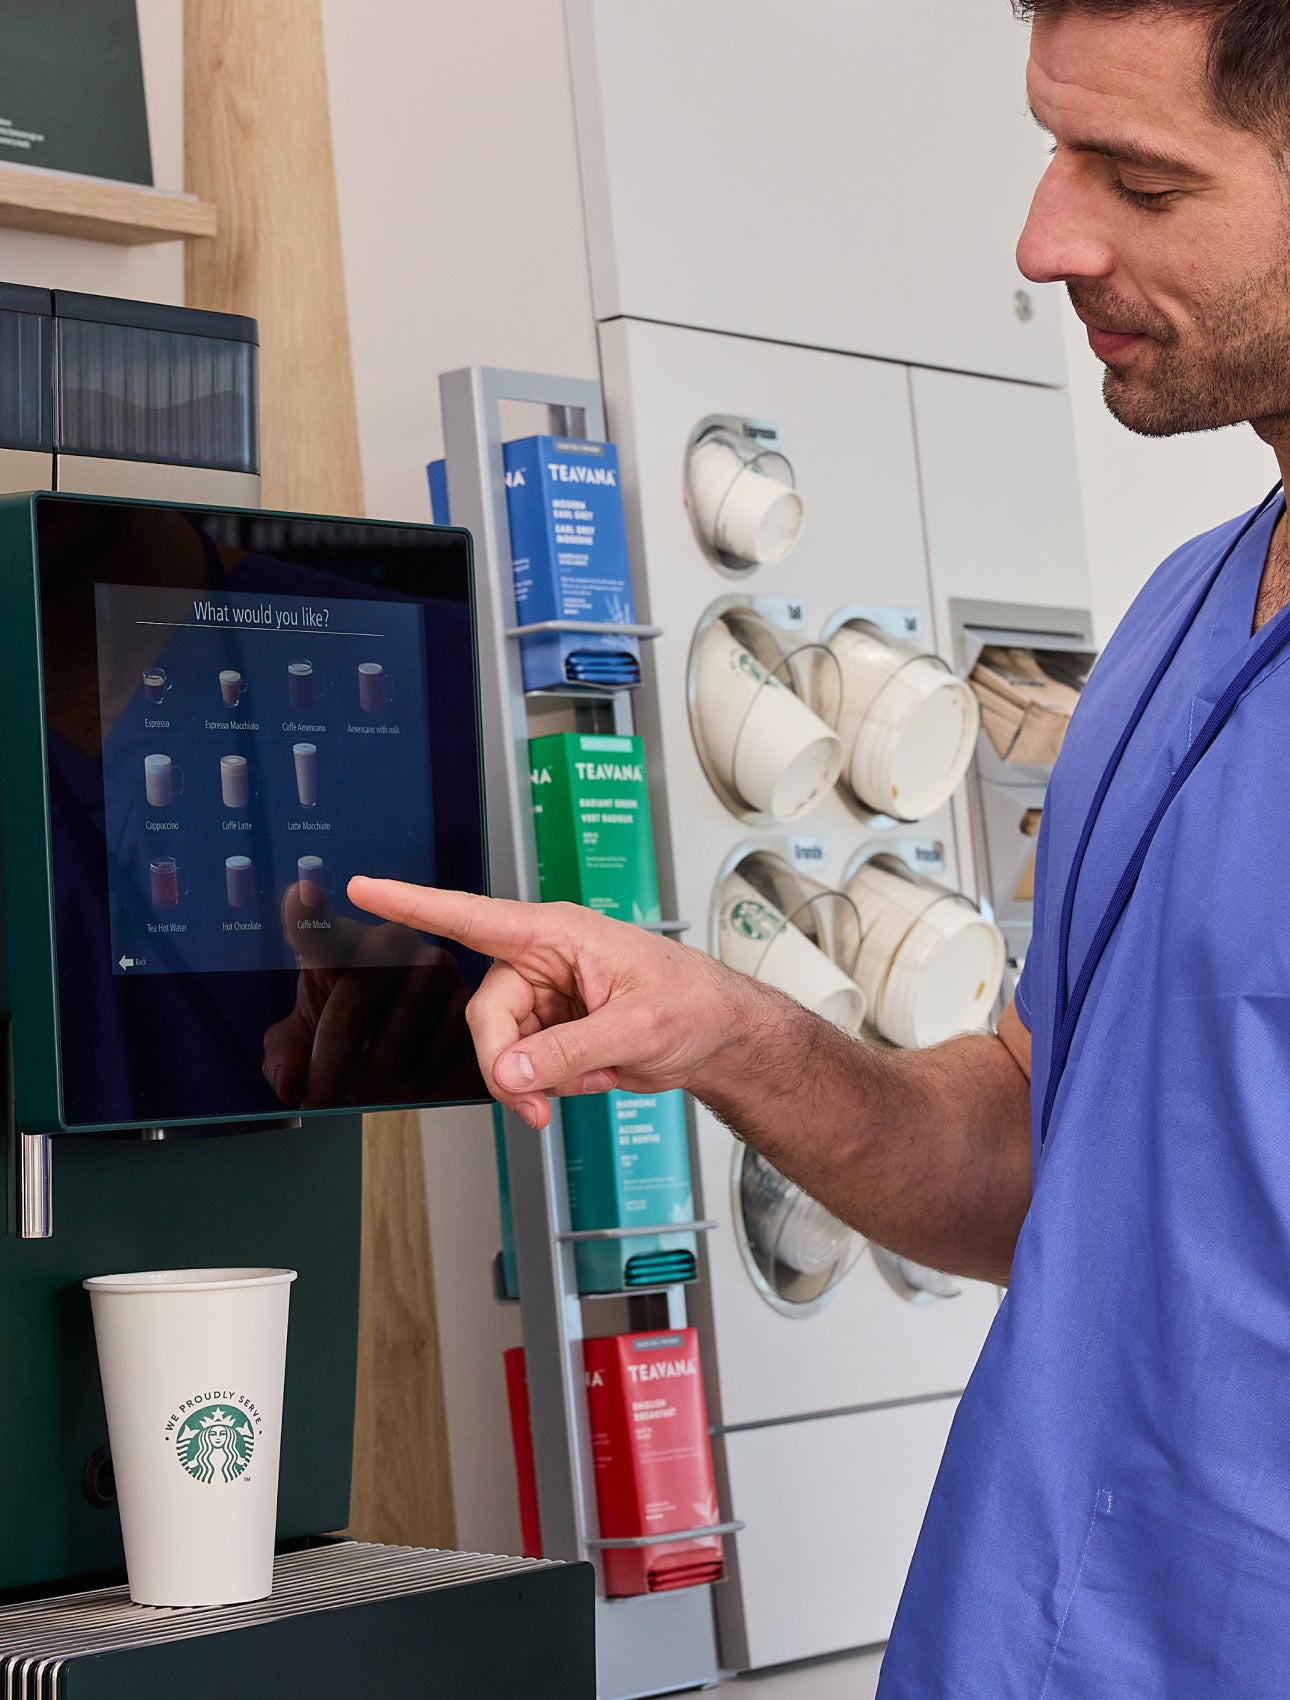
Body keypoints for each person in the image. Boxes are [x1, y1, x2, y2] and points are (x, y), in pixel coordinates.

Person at [351, 1, 1290, 1691]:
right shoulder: (1177, 624)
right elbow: (1036, 1161)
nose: (1041, 236)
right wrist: (721, 1027)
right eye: (1052, 147)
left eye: (1139, 183)